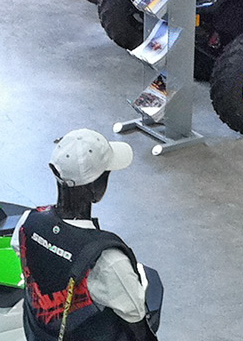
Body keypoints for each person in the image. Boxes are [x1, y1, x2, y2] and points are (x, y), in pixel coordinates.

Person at [14, 128, 155, 341]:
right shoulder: (107, 260)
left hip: (39, 332)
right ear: (95, 189)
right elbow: (133, 313)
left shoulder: (28, 221)